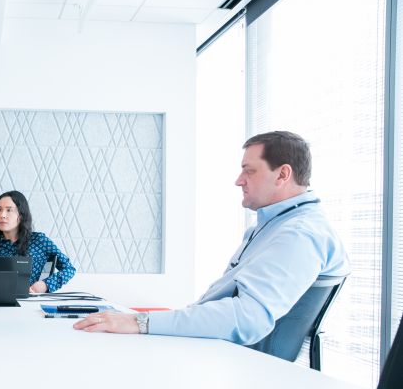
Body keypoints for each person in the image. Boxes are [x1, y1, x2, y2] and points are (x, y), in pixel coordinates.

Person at [75, 131, 350, 345]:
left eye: (249, 170)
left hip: (231, 361)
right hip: (215, 350)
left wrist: (140, 321)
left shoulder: (299, 235)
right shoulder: (273, 225)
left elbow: (247, 318)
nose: (239, 180)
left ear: (283, 174)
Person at [0, 190, 76, 293]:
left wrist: (46, 285)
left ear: (21, 215)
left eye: (9, 210)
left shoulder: (39, 241)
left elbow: (69, 269)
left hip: (28, 304)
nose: (2, 215)